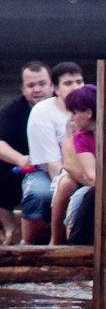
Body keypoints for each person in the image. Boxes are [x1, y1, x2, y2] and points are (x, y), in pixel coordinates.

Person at [24, 61, 83, 244]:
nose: (75, 87)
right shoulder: (42, 111)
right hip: (48, 172)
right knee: (39, 194)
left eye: (79, 82)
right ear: (55, 88)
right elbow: (52, 164)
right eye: (68, 83)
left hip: (87, 170)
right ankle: (30, 242)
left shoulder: (91, 106)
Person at [0, 61, 53, 244]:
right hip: (23, 169)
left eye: (42, 84)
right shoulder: (13, 111)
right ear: (23, 89)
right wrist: (20, 159)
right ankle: (10, 228)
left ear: (52, 86)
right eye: (31, 86)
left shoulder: (65, 107)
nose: (37, 89)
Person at [59, 84, 97, 245]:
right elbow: (92, 175)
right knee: (83, 197)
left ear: (88, 112)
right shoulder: (81, 137)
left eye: (74, 113)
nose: (72, 118)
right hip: (97, 186)